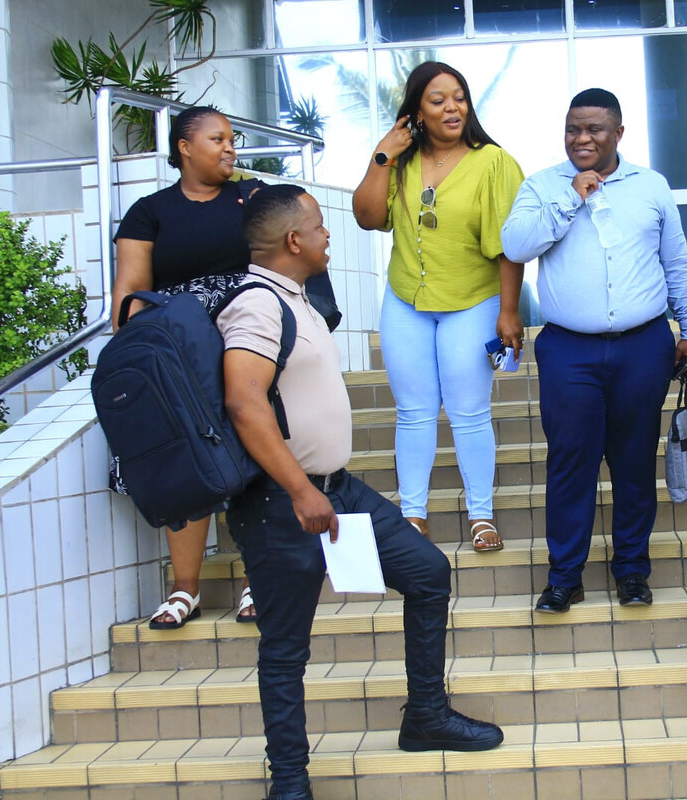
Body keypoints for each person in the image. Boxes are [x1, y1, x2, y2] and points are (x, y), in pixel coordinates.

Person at [222, 184, 504, 800]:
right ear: (293, 240)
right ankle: (289, 783)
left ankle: (425, 716)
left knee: (427, 572)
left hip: (338, 490)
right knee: (285, 648)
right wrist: (299, 490)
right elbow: (244, 402)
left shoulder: (296, 298)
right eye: (319, 226)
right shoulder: (257, 306)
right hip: (282, 501)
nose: (328, 235)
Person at [501, 88, 687, 613]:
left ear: (618, 133)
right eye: (573, 129)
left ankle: (632, 571)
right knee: (571, 462)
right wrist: (572, 196)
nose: (581, 138)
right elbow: (515, 245)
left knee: (634, 461)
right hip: (569, 350)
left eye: (594, 129)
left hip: (643, 346)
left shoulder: (651, 186)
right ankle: (565, 576)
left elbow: (677, 264)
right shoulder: (543, 186)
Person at [352, 61, 525, 552]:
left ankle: (482, 516)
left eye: (460, 97)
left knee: (469, 411)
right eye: (438, 100)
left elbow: (509, 245)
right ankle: (412, 515)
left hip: (472, 300)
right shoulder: (402, 161)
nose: (453, 108)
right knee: (413, 412)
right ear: (416, 112)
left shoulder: (494, 163)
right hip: (406, 299)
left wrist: (509, 311)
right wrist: (382, 155)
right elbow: (368, 217)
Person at [113, 105, 262, 628]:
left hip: (247, 338)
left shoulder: (252, 197)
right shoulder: (149, 211)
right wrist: (139, 364)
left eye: (232, 138)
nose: (230, 147)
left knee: (254, 449)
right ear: (184, 147)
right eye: (218, 138)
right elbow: (130, 293)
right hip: (178, 350)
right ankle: (186, 589)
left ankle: (258, 580)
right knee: (187, 455)